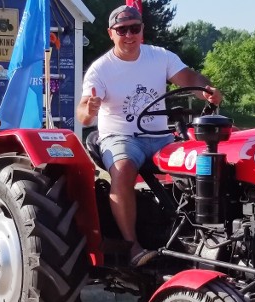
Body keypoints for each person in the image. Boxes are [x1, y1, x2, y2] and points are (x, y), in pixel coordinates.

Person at [76, 5, 222, 267]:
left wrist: (205, 90)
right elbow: (84, 116)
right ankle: (133, 247)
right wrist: (89, 109)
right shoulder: (100, 69)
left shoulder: (159, 57)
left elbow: (187, 77)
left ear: (142, 30)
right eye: (122, 30)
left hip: (160, 136)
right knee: (122, 169)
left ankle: (204, 235)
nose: (129, 35)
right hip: (121, 136)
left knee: (201, 164)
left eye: (135, 28)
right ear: (111, 33)